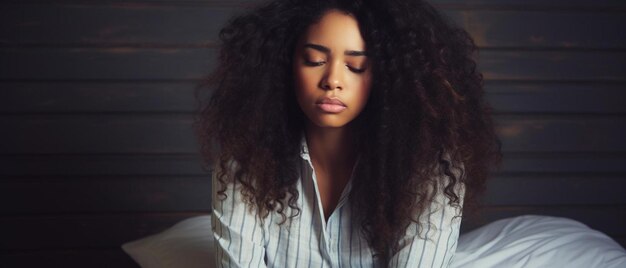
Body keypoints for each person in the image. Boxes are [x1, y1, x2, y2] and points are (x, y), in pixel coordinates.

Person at [195, 0, 501, 267]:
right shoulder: (245, 159)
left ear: (385, 77)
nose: (333, 80)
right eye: (315, 60)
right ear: (284, 66)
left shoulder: (429, 170)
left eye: (355, 66)